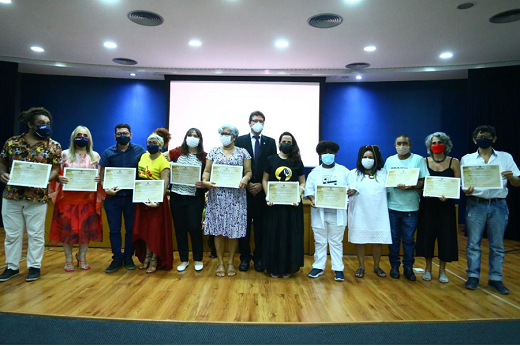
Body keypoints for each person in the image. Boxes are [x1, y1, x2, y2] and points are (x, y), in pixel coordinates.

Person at [0, 107, 62, 282]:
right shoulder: (12, 142)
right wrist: (2, 174)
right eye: (41, 123)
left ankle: (34, 266)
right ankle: (11, 267)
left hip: (37, 196)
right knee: (12, 234)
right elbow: (2, 162)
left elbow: (56, 168)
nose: (45, 126)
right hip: (12, 195)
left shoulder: (54, 145)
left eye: (48, 124)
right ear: (29, 124)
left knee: (36, 234)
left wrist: (45, 179)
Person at [461, 125, 520, 294]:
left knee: (497, 244)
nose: (483, 138)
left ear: (494, 139)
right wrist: (466, 190)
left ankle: (495, 279)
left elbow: (517, 182)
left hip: (498, 204)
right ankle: (472, 276)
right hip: (475, 203)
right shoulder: (467, 159)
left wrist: (512, 177)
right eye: (480, 136)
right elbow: (464, 184)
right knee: (473, 244)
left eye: (487, 136)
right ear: (474, 140)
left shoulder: (505, 157)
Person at [49, 126, 104, 272]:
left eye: (85, 135)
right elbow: (55, 173)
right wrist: (59, 177)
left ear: (89, 138)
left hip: (87, 200)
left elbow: (101, 177)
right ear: (73, 137)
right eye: (78, 134)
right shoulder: (64, 154)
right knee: (67, 231)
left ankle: (82, 257)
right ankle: (68, 259)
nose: (82, 137)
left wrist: (99, 178)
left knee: (85, 231)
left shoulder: (95, 156)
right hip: (66, 200)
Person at [202, 124, 252, 277]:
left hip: (236, 196)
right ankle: (220, 262)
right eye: (222, 133)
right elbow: (207, 171)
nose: (224, 135)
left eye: (227, 133)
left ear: (235, 136)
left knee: (233, 231)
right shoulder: (213, 152)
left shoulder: (243, 152)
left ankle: (230, 262)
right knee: (218, 231)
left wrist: (246, 178)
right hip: (217, 196)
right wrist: (205, 181)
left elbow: (249, 171)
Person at [99, 124, 146, 273]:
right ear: (115, 136)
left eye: (125, 133)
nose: (122, 135)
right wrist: (105, 188)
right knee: (114, 230)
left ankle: (128, 257)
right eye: (119, 133)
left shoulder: (139, 151)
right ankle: (117, 258)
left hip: (133, 197)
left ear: (131, 135)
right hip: (113, 198)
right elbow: (101, 177)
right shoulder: (108, 153)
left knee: (130, 230)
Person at [235, 111, 277, 272]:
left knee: (261, 228)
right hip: (242, 190)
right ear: (249, 123)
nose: (257, 123)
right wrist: (247, 183)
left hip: (262, 191)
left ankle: (258, 258)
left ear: (264, 123)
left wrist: (261, 184)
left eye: (261, 121)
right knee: (243, 227)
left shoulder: (271, 142)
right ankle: (244, 258)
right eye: (255, 120)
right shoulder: (239, 140)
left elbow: (273, 166)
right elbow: (236, 164)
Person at [384, 134, 429, 281]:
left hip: (411, 208)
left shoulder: (418, 159)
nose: (401, 146)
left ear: (410, 144)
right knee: (394, 239)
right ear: (394, 145)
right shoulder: (390, 160)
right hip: (392, 207)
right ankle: (394, 267)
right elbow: (385, 180)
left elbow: (424, 181)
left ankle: (408, 268)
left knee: (409, 240)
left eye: (405, 143)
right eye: (399, 143)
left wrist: (411, 187)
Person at [416, 132, 460, 283]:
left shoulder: (454, 162)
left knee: (446, 238)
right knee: (427, 236)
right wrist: (424, 191)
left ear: (446, 145)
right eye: (433, 143)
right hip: (428, 205)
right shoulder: (423, 161)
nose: (436, 145)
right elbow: (420, 182)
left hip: (446, 206)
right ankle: (427, 269)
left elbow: (458, 184)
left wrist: (449, 194)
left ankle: (443, 270)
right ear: (429, 146)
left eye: (440, 142)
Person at [262, 132, 306, 278]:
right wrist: (268, 195)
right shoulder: (271, 159)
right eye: (283, 141)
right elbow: (265, 179)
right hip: (273, 205)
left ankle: (288, 268)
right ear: (279, 142)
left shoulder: (297, 161)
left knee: (290, 236)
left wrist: (298, 195)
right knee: (273, 235)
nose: (286, 143)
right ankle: (273, 268)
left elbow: (302, 182)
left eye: (289, 141)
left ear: (293, 144)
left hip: (292, 206)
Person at [304, 141, 349, 282]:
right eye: (324, 153)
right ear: (319, 155)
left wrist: (348, 196)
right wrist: (312, 199)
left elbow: (350, 189)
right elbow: (309, 190)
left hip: (338, 213)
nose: (327, 155)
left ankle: (338, 269)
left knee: (336, 242)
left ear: (335, 154)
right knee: (320, 241)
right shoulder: (314, 173)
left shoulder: (344, 171)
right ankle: (318, 267)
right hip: (319, 212)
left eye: (330, 152)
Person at [347, 145, 392, 279]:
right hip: (360, 211)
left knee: (377, 241)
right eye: (365, 157)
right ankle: (361, 266)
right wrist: (351, 191)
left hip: (378, 212)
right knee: (360, 241)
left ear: (376, 158)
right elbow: (350, 189)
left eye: (370, 157)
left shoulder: (384, 173)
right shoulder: (353, 173)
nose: (367, 159)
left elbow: (390, 190)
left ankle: (377, 266)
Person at [132, 129, 173, 273]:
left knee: (155, 232)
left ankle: (154, 259)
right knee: (145, 230)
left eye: (154, 143)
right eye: (149, 142)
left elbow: (164, 183)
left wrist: (157, 200)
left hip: (156, 203)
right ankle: (147, 257)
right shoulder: (143, 156)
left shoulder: (164, 162)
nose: (151, 145)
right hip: (142, 200)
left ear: (160, 146)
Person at [167, 128, 207, 272]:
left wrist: (203, 184)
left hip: (195, 198)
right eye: (190, 135)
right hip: (177, 196)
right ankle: (184, 259)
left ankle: (198, 258)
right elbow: (162, 159)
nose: (192, 138)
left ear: (200, 139)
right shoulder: (176, 153)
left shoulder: (204, 157)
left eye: (195, 136)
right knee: (180, 228)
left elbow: (207, 176)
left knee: (195, 227)